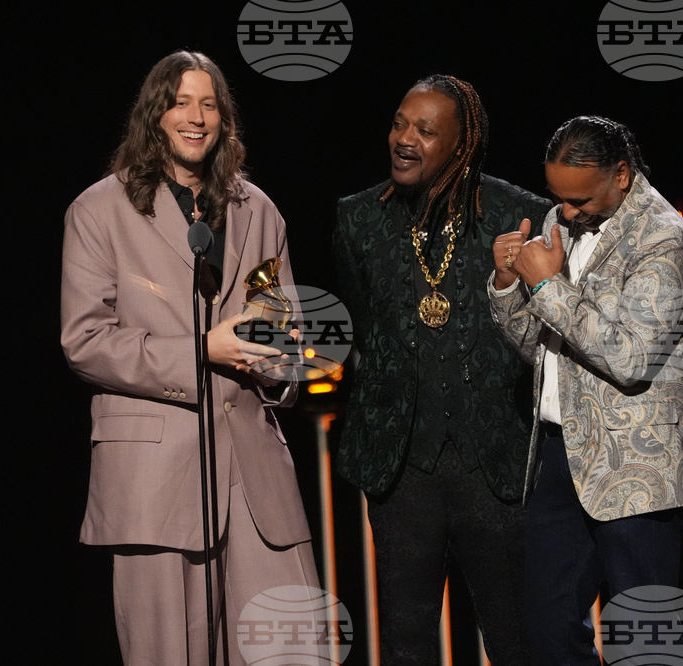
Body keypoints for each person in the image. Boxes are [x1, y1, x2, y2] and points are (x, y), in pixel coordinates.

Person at [60, 50, 318, 665]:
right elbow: (85, 341)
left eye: (209, 104)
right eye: (180, 102)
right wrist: (203, 350)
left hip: (256, 478)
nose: (195, 117)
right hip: (153, 479)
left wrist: (281, 361)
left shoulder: (259, 210)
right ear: (155, 115)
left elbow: (285, 330)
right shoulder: (98, 211)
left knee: (292, 648)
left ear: (225, 120)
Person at [332, 74, 551, 665]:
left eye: (425, 131)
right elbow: (362, 327)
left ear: (461, 145)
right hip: (399, 468)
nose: (405, 139)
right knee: (406, 645)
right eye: (400, 123)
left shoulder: (520, 215)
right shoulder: (357, 220)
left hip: (495, 464)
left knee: (515, 641)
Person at [488, 115, 683, 664]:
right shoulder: (564, 220)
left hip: (635, 464)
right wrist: (511, 288)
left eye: (580, 200)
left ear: (622, 175)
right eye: (558, 198)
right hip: (560, 457)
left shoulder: (663, 237)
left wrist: (545, 284)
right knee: (546, 631)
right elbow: (545, 351)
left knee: (643, 642)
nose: (566, 211)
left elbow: (629, 358)